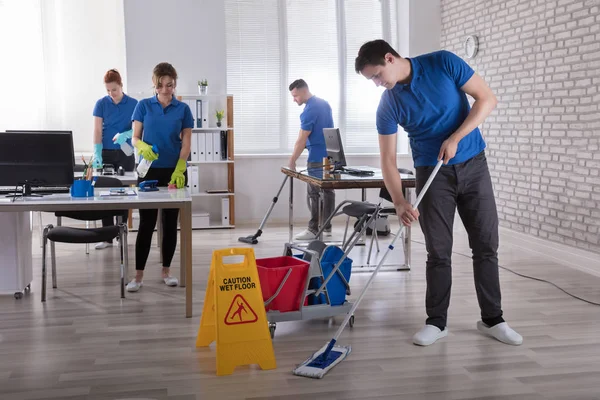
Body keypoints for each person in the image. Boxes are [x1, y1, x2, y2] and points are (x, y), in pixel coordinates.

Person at [354, 39, 523, 347]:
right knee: (439, 251)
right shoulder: (389, 104)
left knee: (486, 244)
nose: (378, 84)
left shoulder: (443, 62)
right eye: (372, 81)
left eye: (377, 75)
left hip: (474, 165)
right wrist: (400, 200)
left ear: (390, 58)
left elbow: (487, 99)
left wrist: (456, 137)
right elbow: (388, 161)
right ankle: (437, 322)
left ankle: (493, 319)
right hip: (432, 175)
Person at [127, 62, 193, 292]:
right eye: (161, 85)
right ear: (154, 85)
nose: (166, 90)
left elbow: (186, 141)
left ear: (175, 84)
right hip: (149, 170)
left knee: (169, 222)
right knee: (146, 222)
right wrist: (142, 145)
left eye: (170, 85)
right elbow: (134, 138)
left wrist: (180, 166)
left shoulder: (183, 109)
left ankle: (166, 271)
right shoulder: (143, 106)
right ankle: (138, 276)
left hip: (174, 170)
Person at [92, 69, 138, 250]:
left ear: (121, 86)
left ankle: (121, 233)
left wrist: (124, 135)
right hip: (107, 153)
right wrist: (97, 152)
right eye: (108, 90)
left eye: (114, 90)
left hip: (126, 152)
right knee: (105, 195)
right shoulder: (101, 104)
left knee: (125, 193)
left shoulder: (134, 104)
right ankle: (107, 237)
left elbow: (137, 130)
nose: (111, 94)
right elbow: (97, 130)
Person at [288, 79, 335, 240]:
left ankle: (313, 229)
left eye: (295, 96)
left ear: (302, 91)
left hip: (316, 157)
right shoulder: (324, 104)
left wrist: (292, 160)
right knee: (328, 192)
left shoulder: (309, 110)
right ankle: (326, 227)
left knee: (314, 193)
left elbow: (302, 139)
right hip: (330, 155)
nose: (294, 99)